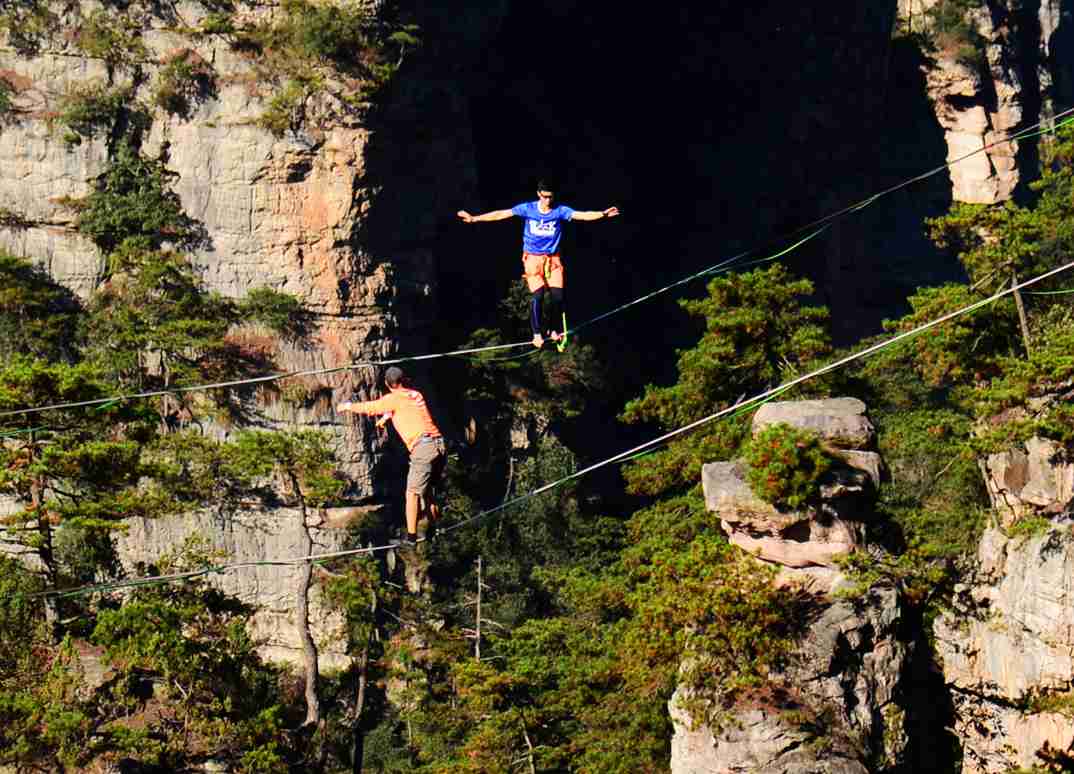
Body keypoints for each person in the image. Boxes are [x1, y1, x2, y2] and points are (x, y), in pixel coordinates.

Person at [457, 180, 619, 348]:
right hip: (533, 260)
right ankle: (536, 333)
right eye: (545, 197)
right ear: (538, 194)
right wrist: (475, 218)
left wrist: (602, 214)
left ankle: (553, 329)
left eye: (550, 197)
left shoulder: (559, 211)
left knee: (558, 297)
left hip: (553, 259)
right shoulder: (528, 209)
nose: (548, 201)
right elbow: (501, 214)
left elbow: (582, 215)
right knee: (539, 295)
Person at [337, 366, 446, 548]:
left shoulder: (392, 399)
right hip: (438, 444)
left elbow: (370, 408)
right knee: (428, 493)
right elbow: (408, 409)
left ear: (387, 384)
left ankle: (411, 539)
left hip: (423, 448)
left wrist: (348, 406)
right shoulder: (415, 395)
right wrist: (388, 416)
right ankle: (434, 530)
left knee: (411, 494)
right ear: (404, 380)